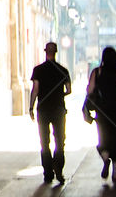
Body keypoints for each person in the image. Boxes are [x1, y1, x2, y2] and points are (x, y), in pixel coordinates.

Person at [87, 47, 116, 183]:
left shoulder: (97, 72)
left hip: (102, 112)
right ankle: (114, 174)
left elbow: (90, 90)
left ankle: (105, 159)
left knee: (103, 139)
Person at [29, 41, 72, 184]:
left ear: (45, 51)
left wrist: (31, 107)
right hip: (59, 108)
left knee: (44, 142)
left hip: (43, 109)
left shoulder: (38, 70)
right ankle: (58, 167)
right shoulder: (63, 70)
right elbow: (68, 90)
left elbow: (35, 89)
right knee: (60, 141)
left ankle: (47, 173)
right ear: (56, 52)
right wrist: (60, 95)